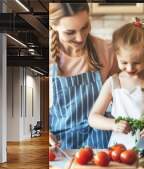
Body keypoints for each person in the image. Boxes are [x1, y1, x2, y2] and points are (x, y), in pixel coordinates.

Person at [49, 3, 118, 150]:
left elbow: (123, 98)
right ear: (53, 25)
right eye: (70, 32)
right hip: (60, 143)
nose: (80, 38)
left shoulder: (107, 50)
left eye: (85, 27)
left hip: (99, 141)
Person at [89, 17, 144, 149]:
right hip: (119, 149)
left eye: (136, 63)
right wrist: (113, 124)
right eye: (124, 63)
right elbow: (93, 118)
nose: (130, 68)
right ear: (116, 55)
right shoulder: (113, 83)